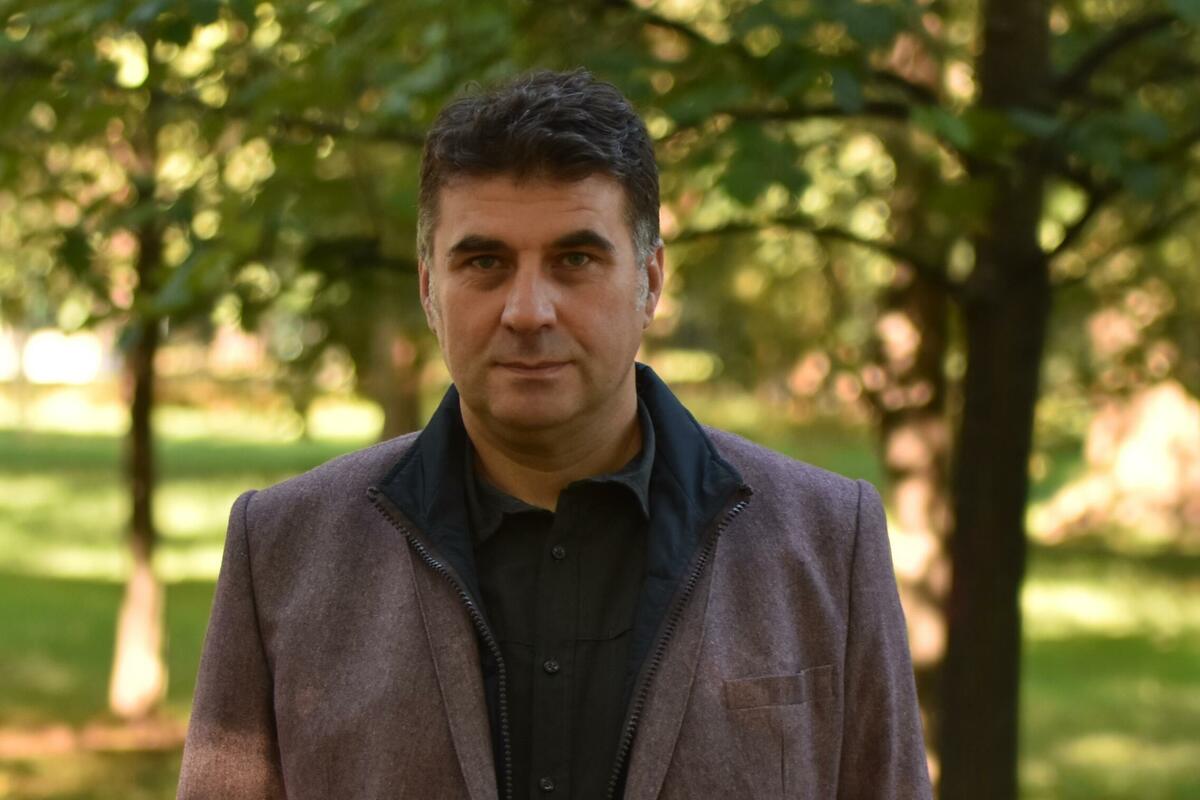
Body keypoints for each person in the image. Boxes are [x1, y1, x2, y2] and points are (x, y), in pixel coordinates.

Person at [178, 69, 931, 800]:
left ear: (650, 282)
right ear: (429, 290)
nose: (528, 311)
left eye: (575, 259)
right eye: (484, 262)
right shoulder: (282, 550)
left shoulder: (827, 539)